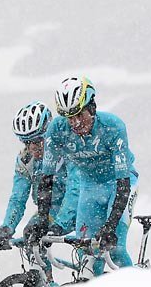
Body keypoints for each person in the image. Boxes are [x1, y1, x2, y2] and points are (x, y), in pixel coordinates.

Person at [25, 77, 138, 275]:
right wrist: (43, 219)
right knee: (85, 251)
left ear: (92, 107)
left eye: (79, 115)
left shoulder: (113, 126)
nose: (75, 123)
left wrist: (110, 226)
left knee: (115, 249)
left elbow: (123, 184)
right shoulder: (57, 130)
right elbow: (46, 179)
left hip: (119, 183)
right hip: (90, 186)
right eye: (69, 117)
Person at [0, 102, 71, 281]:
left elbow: (77, 190)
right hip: (49, 209)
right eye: (27, 142)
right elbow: (17, 199)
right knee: (31, 234)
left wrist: (58, 225)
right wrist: (6, 229)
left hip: (75, 205)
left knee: (86, 249)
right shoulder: (25, 160)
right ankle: (46, 285)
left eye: (38, 140)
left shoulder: (66, 150)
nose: (33, 147)